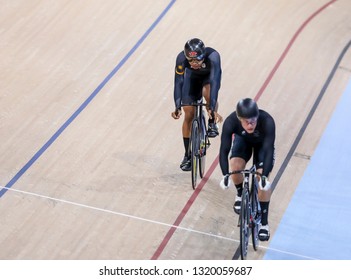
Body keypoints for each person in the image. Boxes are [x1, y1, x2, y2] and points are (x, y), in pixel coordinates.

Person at [219, 98, 275, 241]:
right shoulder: (231, 122)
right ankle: (239, 194)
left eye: (253, 121)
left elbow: (268, 151)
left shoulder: (267, 121)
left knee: (262, 180)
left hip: (262, 145)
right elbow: (224, 151)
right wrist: (225, 175)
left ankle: (264, 223)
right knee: (235, 167)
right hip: (243, 141)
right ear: (239, 119)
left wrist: (264, 177)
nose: (250, 125)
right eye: (246, 122)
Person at [171, 38, 223, 171]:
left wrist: (211, 107)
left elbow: (215, 82)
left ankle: (211, 123)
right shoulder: (181, 59)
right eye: (191, 60)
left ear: (203, 56)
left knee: (208, 93)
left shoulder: (213, 57)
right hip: (192, 79)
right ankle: (187, 155)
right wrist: (177, 105)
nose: (194, 63)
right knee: (188, 113)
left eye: (197, 60)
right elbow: (178, 82)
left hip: (208, 78)